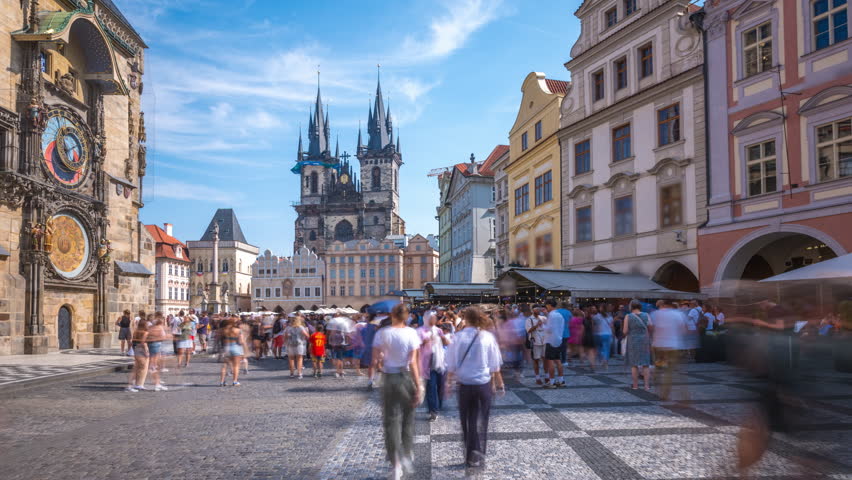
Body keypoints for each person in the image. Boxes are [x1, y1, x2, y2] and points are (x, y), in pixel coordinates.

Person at [445, 306, 504, 470]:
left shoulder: (458, 337)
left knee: (467, 420)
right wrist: (500, 384)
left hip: (464, 385)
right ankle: (479, 453)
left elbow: (451, 364)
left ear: (466, 319)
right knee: (482, 419)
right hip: (483, 384)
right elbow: (495, 366)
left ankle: (471, 455)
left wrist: (448, 383)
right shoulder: (487, 337)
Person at [372, 303, 422, 480]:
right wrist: (419, 386)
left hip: (389, 378)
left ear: (392, 315)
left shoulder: (382, 333)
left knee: (391, 421)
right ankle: (407, 453)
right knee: (408, 418)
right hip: (406, 376)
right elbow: (414, 363)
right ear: (407, 316)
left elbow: (376, 362)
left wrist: (380, 364)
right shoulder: (411, 333)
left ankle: (396, 465)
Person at [650, 299, 688, 401]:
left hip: (658, 346)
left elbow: (651, 328)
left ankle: (657, 382)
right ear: (671, 304)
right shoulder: (678, 314)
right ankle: (664, 394)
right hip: (672, 346)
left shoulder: (655, 314)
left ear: (662, 304)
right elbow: (684, 330)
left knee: (658, 367)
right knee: (669, 371)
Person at [418, 311, 449, 421]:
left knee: (440, 387)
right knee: (431, 388)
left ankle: (437, 406)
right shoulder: (420, 331)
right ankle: (433, 411)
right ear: (426, 319)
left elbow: (446, 343)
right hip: (428, 365)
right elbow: (416, 346)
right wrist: (424, 342)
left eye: (434, 318)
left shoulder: (439, 330)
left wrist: (444, 339)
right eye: (431, 318)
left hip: (440, 363)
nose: (433, 320)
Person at [624, 299, 652, 390]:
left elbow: (625, 331)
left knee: (634, 364)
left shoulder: (628, 316)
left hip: (633, 341)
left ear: (631, 307)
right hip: (644, 341)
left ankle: (635, 385)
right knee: (645, 364)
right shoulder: (646, 315)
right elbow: (650, 327)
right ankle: (646, 386)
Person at [543, 300, 566, 388]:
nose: (546, 308)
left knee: (550, 361)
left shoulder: (551, 315)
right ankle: (561, 380)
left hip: (550, 340)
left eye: (546, 306)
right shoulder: (560, 315)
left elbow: (549, 329)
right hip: (558, 339)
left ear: (549, 305)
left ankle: (552, 382)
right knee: (558, 360)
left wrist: (543, 325)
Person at [219, 318, 248, 386]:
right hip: (236, 347)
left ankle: (222, 381)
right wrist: (245, 350)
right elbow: (241, 342)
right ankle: (235, 381)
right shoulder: (238, 331)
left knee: (224, 366)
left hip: (227, 347)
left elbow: (221, 340)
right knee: (236, 366)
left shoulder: (224, 331)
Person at [524, 305, 547, 384]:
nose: (538, 310)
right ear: (532, 310)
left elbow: (549, 327)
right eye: (536, 309)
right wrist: (537, 325)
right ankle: (537, 377)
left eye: (539, 309)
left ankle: (546, 376)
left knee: (545, 359)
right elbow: (528, 330)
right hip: (535, 341)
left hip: (544, 340)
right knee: (536, 360)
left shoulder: (543, 318)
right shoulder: (529, 320)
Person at [126, 321, 150, 392]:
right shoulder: (145, 333)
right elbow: (144, 343)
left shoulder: (135, 332)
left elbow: (133, 342)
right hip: (142, 350)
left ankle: (136, 384)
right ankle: (139, 384)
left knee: (138, 368)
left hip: (136, 349)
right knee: (143, 368)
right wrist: (146, 352)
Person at [147, 314, 168, 391]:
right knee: (154, 365)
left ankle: (157, 382)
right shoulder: (158, 328)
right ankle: (157, 384)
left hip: (153, 345)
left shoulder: (151, 328)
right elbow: (163, 337)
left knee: (153, 365)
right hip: (156, 345)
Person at [360, 314, 380, 389]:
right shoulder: (377, 324)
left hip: (368, 346)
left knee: (371, 365)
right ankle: (375, 379)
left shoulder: (367, 325)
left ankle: (370, 380)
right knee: (378, 364)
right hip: (376, 346)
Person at [592, 303, 614, 371]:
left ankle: (600, 359)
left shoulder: (595, 317)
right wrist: (613, 334)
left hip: (597, 334)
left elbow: (593, 326)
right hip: (607, 334)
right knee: (606, 349)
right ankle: (605, 361)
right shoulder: (610, 317)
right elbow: (612, 327)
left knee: (598, 348)